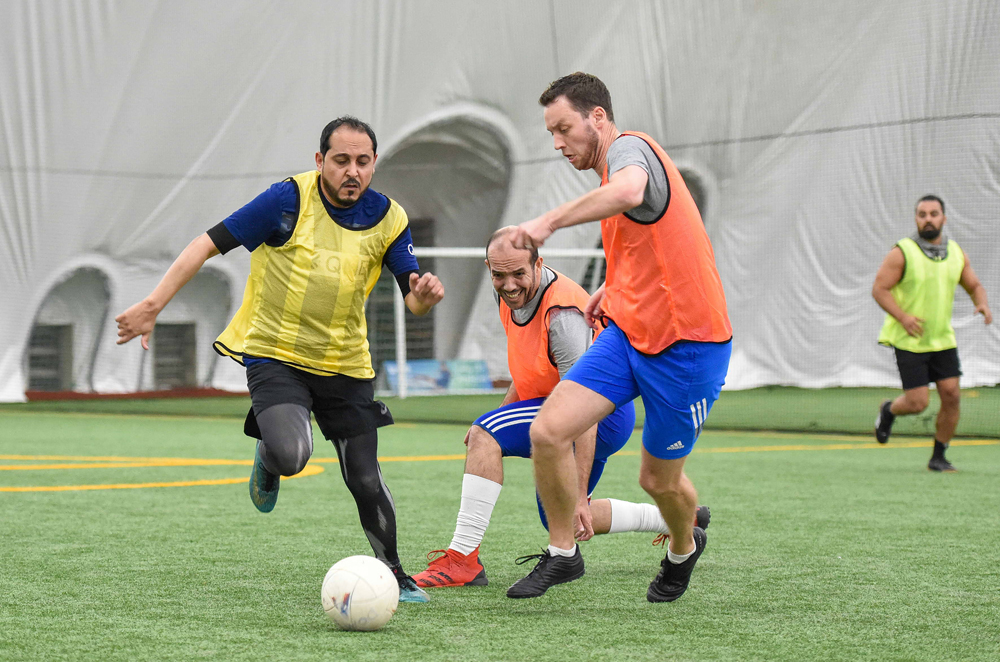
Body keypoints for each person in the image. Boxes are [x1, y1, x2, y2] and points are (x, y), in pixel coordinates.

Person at [115, 116, 444, 602]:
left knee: (366, 476)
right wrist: (153, 303)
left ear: (374, 163)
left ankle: (394, 573)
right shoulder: (286, 200)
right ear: (320, 161)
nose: (352, 171)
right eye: (341, 161)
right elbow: (207, 243)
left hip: (345, 363)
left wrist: (423, 297)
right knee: (293, 457)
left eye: (363, 161)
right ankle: (269, 455)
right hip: (276, 354)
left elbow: (411, 298)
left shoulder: (390, 217)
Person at [506, 73, 732, 602]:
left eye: (564, 129)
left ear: (598, 119)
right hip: (629, 336)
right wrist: (613, 284)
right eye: (552, 134)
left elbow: (629, 192)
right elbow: (650, 235)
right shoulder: (611, 167)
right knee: (548, 432)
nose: (559, 143)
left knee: (658, 481)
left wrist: (548, 222)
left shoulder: (628, 150)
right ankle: (563, 555)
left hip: (688, 348)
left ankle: (682, 549)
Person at [411, 228, 710, 589]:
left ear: (539, 263)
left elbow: (585, 404)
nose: (508, 284)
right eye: (499, 275)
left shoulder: (564, 314)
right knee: (563, 519)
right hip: (575, 409)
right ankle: (681, 520)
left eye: (518, 274)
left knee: (485, 436)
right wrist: (497, 415)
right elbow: (529, 368)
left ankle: (462, 560)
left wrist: (488, 430)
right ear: (489, 268)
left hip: (599, 415)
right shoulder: (508, 295)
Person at [872, 195, 992, 471]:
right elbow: (879, 289)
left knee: (951, 395)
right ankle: (889, 410)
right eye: (922, 214)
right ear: (916, 219)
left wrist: (982, 303)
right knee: (917, 403)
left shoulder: (956, 253)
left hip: (942, 339)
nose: (928, 219)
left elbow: (974, 285)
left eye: (934, 214)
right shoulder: (902, 252)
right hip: (909, 338)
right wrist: (902, 317)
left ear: (943, 218)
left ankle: (939, 456)